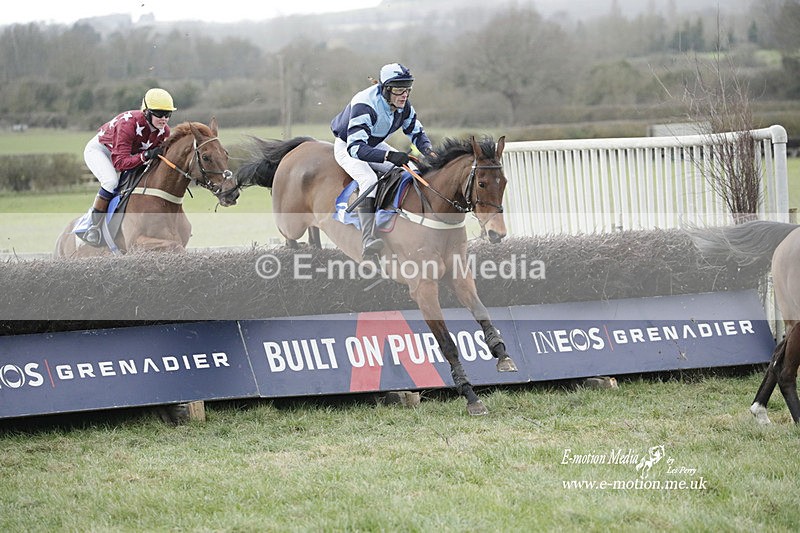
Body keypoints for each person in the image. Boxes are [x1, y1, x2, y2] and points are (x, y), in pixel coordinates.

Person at [331, 63, 435, 258]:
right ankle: (367, 238)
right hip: (348, 146)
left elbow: (416, 133)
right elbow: (356, 148)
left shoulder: (403, 106)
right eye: (398, 89)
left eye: (407, 89)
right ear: (386, 89)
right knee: (369, 179)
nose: (404, 95)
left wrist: (430, 152)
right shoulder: (365, 104)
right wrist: (388, 156)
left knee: (410, 169)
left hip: (374, 143)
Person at [80, 87, 176, 245]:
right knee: (111, 182)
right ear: (146, 112)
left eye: (168, 114)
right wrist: (145, 155)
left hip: (127, 155)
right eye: (159, 113)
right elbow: (120, 163)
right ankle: (93, 226)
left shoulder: (164, 131)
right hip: (101, 151)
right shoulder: (128, 124)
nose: (164, 118)